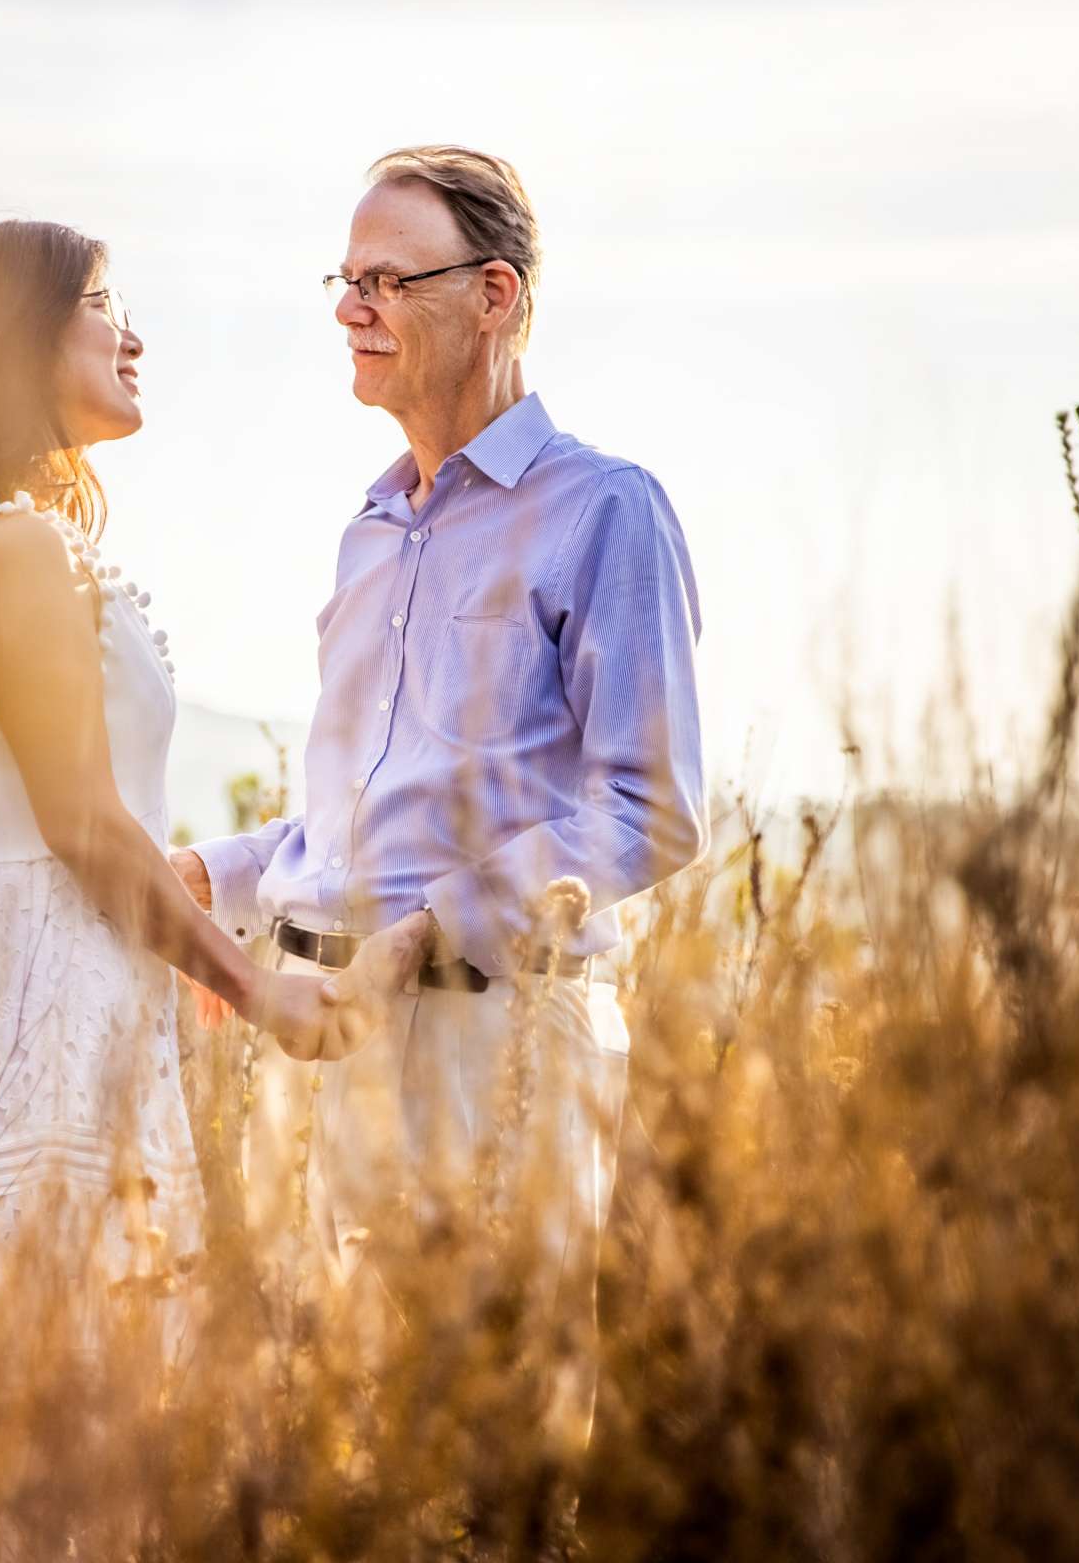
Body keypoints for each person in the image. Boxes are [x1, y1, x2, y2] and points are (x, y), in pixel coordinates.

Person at [174, 146, 708, 1447]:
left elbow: (656, 806)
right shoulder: (371, 527)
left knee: (484, 1443)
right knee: (312, 1438)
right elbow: (351, 819)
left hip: (494, 1047)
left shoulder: (607, 511)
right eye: (344, 282)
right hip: (309, 1041)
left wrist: (429, 926)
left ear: (494, 296)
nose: (351, 309)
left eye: (385, 280)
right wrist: (214, 882)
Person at [0, 220, 377, 1383]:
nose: (135, 335)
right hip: (55, 1012)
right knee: (51, 1353)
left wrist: (73, 877)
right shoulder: (19, 551)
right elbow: (80, 820)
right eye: (106, 304)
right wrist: (251, 983)